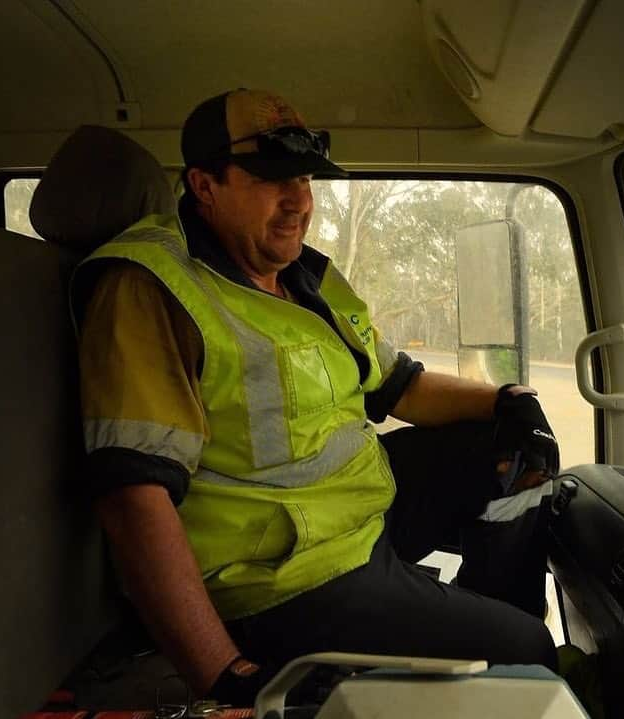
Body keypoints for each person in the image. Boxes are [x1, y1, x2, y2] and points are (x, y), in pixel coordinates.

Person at [70, 88, 563, 705]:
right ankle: (494, 654)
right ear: (204, 185)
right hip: (282, 577)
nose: (298, 202)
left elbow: (400, 384)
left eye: (304, 177)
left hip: (358, 515)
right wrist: (220, 674)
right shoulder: (149, 288)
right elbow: (132, 497)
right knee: (531, 655)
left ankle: (476, 624)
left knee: (515, 447)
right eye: (271, 179)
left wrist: (510, 401)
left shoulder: (306, 275)